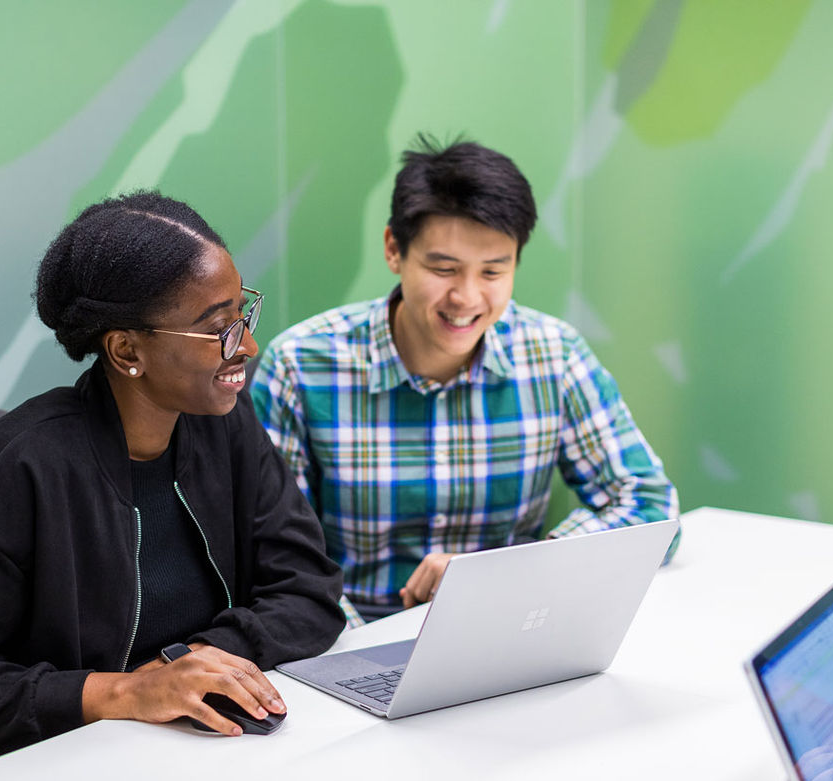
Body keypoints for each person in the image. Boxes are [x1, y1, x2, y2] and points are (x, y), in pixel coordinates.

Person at [0, 191, 345, 780]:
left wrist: (189, 661)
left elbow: (309, 591)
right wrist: (124, 693)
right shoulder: (19, 469)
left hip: (193, 760)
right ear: (127, 350)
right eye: (219, 329)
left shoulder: (224, 425)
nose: (248, 348)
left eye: (243, 316)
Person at [251, 137, 678, 621]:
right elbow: (277, 558)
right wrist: (352, 648)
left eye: (493, 272)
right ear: (394, 249)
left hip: (511, 628)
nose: (467, 298)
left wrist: (506, 570)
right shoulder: (301, 365)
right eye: (444, 268)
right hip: (355, 634)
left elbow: (652, 509)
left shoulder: (554, 356)